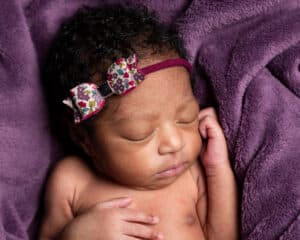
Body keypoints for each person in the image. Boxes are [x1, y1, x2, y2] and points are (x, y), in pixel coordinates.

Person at [39, 4, 238, 240]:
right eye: (140, 134)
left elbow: (224, 236)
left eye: (186, 119)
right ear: (84, 140)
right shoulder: (71, 181)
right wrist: (75, 234)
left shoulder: (193, 172)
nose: (174, 143)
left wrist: (217, 168)